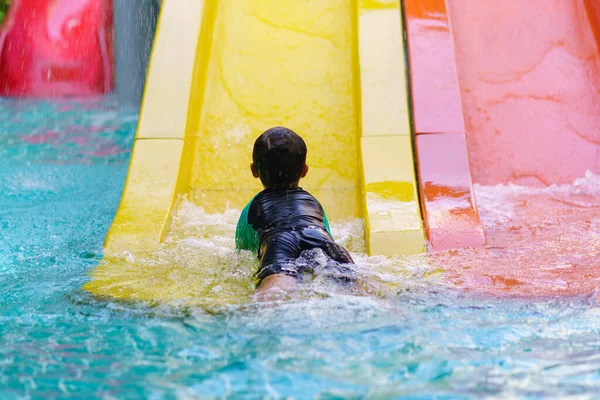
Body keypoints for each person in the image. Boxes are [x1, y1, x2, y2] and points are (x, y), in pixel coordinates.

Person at [236, 126, 355, 298]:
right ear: (305, 170)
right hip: (319, 236)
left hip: (279, 242)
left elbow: (243, 259)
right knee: (358, 286)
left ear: (254, 170)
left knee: (271, 299)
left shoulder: (250, 211)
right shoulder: (315, 206)